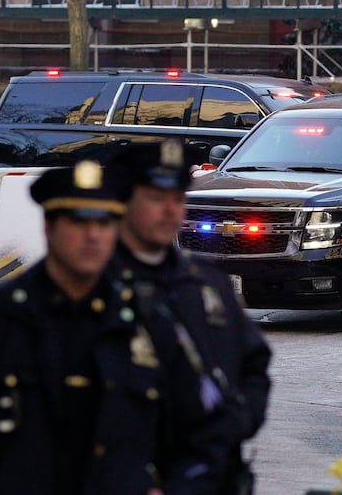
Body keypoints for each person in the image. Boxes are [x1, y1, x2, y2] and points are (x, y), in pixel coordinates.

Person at [0, 161, 228, 495]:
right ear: (48, 228)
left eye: (104, 222)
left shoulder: (149, 320)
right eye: (78, 221)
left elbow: (203, 426)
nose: (92, 235)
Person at [108, 140, 272, 495]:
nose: (170, 211)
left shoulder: (206, 281)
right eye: (155, 199)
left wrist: (236, 422)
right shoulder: (95, 288)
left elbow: (254, 363)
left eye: (177, 199)